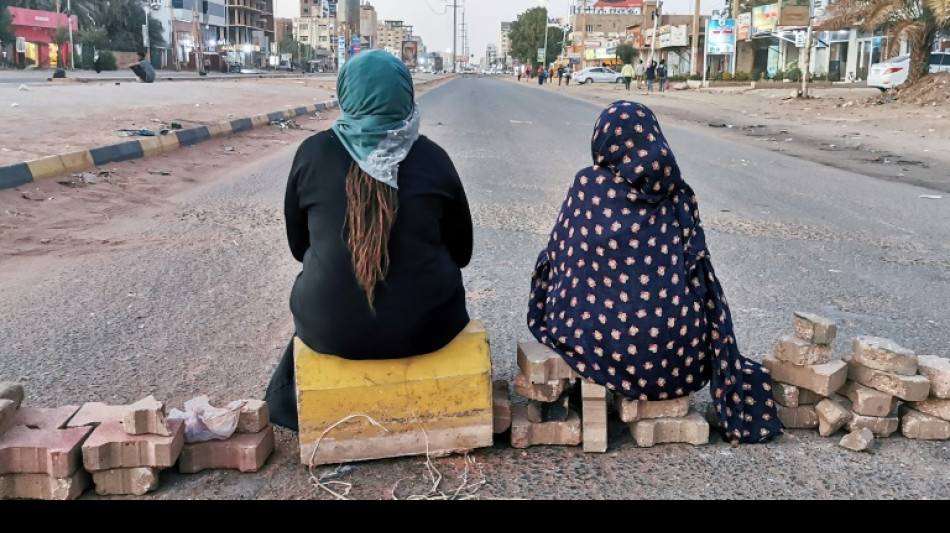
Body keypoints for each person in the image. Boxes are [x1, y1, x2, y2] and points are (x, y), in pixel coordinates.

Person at [526, 101, 783, 446]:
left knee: (559, 280)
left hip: (600, 343)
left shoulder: (588, 185)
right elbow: (701, 277)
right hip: (677, 358)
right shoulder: (678, 193)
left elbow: (557, 258)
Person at [264, 50, 474, 431]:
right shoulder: (434, 158)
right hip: (429, 329)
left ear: (346, 94)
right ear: (406, 96)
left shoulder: (312, 153)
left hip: (330, 331)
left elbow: (299, 249)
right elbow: (462, 253)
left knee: (319, 288)